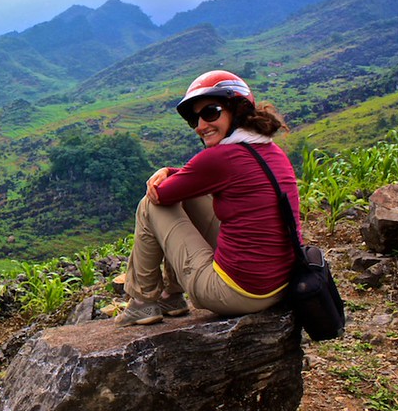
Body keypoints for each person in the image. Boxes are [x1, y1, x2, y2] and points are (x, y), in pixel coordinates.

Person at [115, 70, 300, 326]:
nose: (201, 126)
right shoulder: (269, 149)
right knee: (189, 196)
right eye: (195, 119)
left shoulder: (220, 158)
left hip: (237, 293)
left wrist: (166, 174)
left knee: (151, 204)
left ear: (237, 109)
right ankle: (171, 297)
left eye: (211, 112)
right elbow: (196, 181)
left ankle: (142, 302)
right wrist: (171, 171)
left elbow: (160, 194)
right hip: (280, 285)